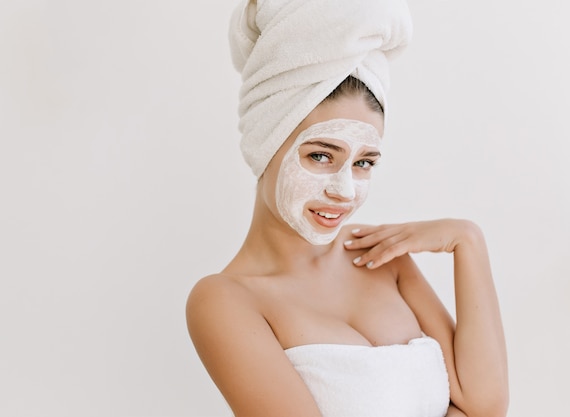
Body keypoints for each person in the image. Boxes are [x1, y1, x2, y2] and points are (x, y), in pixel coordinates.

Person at [186, 1, 509, 416]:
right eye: (320, 155)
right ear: (265, 145)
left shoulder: (378, 255)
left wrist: (468, 240)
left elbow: (485, 405)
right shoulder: (225, 300)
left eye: (363, 163)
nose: (344, 191)